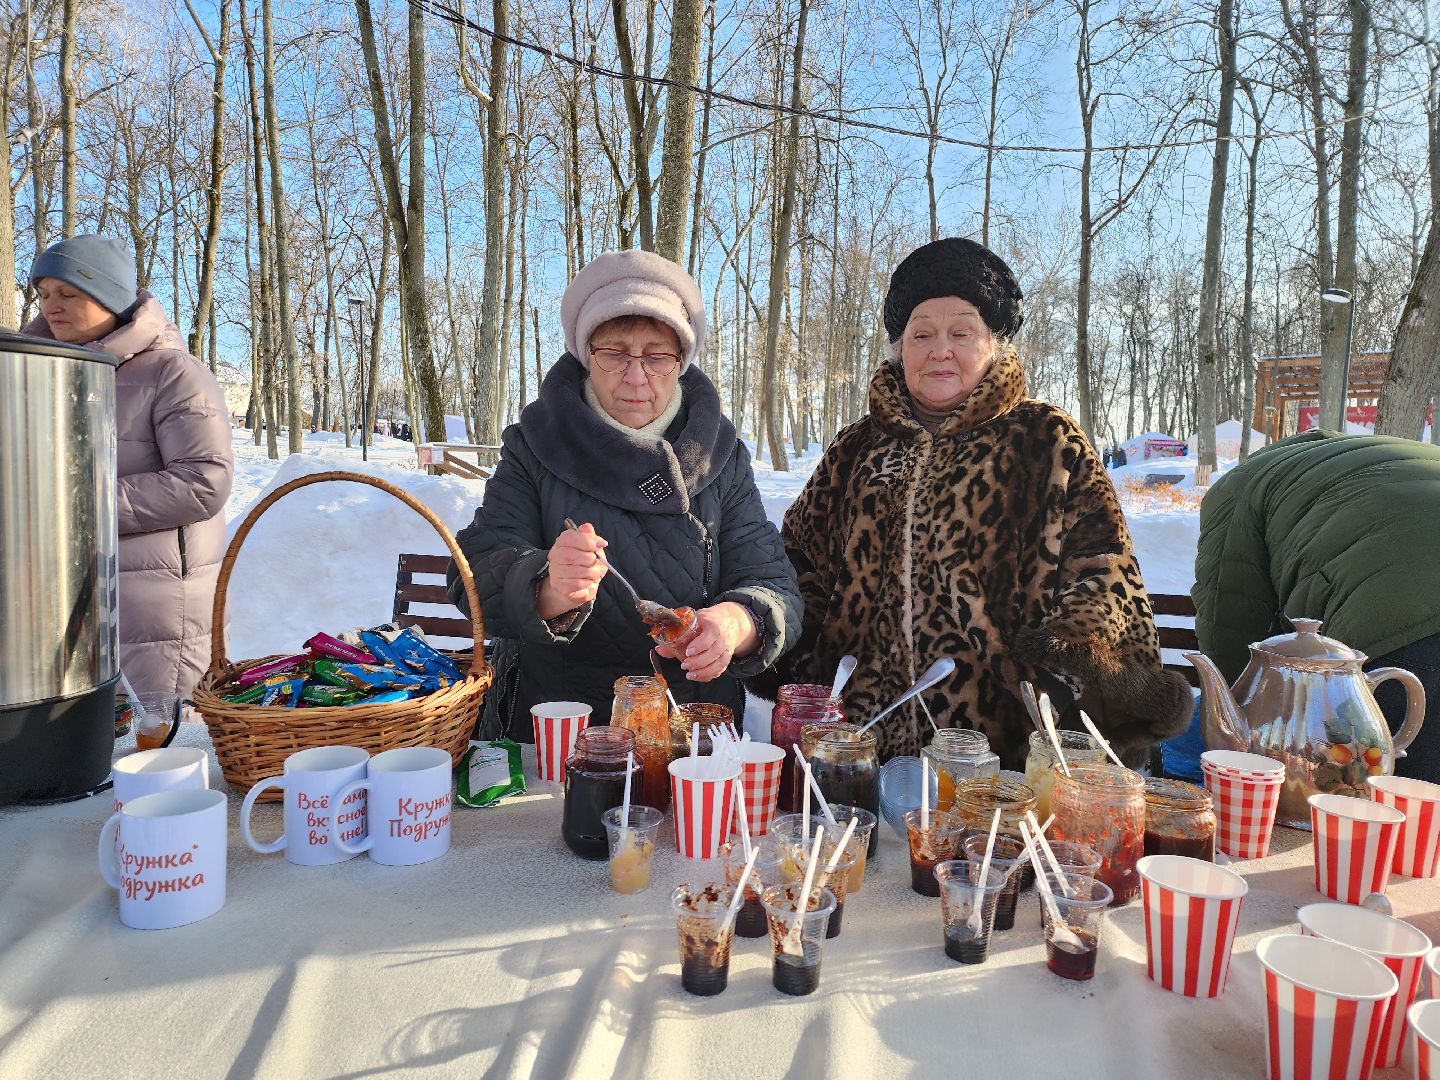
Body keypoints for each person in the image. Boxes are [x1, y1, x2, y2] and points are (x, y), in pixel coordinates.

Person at [757, 237, 1191, 767]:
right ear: (901, 350)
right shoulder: (854, 450)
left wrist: (1067, 667)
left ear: (994, 344)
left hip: (1005, 756)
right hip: (865, 752)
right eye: (921, 334)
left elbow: (1104, 573)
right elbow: (798, 564)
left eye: (961, 331)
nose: (940, 349)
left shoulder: (1047, 441)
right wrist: (795, 654)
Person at [447, 249, 802, 735]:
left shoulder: (721, 454)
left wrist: (735, 623)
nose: (636, 378)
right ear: (585, 354)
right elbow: (472, 571)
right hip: (557, 725)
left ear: (681, 362)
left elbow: (773, 583)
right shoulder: (537, 442)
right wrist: (546, 585)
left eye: (657, 356)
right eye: (614, 353)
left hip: (693, 726)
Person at [27, 235, 233, 699]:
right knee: (79, 739)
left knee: (159, 735)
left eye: (68, 293)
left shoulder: (173, 373)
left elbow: (203, 481)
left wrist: (75, 508)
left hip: (154, 594)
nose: (51, 306)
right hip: (65, 586)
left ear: (109, 297)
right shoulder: (41, 371)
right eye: (43, 294)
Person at [1192, 430, 1440, 783]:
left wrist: (1236, 723)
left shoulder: (1242, 483)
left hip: (1400, 623)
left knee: (1393, 810)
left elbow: (1228, 618)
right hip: (1404, 598)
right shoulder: (1382, 454)